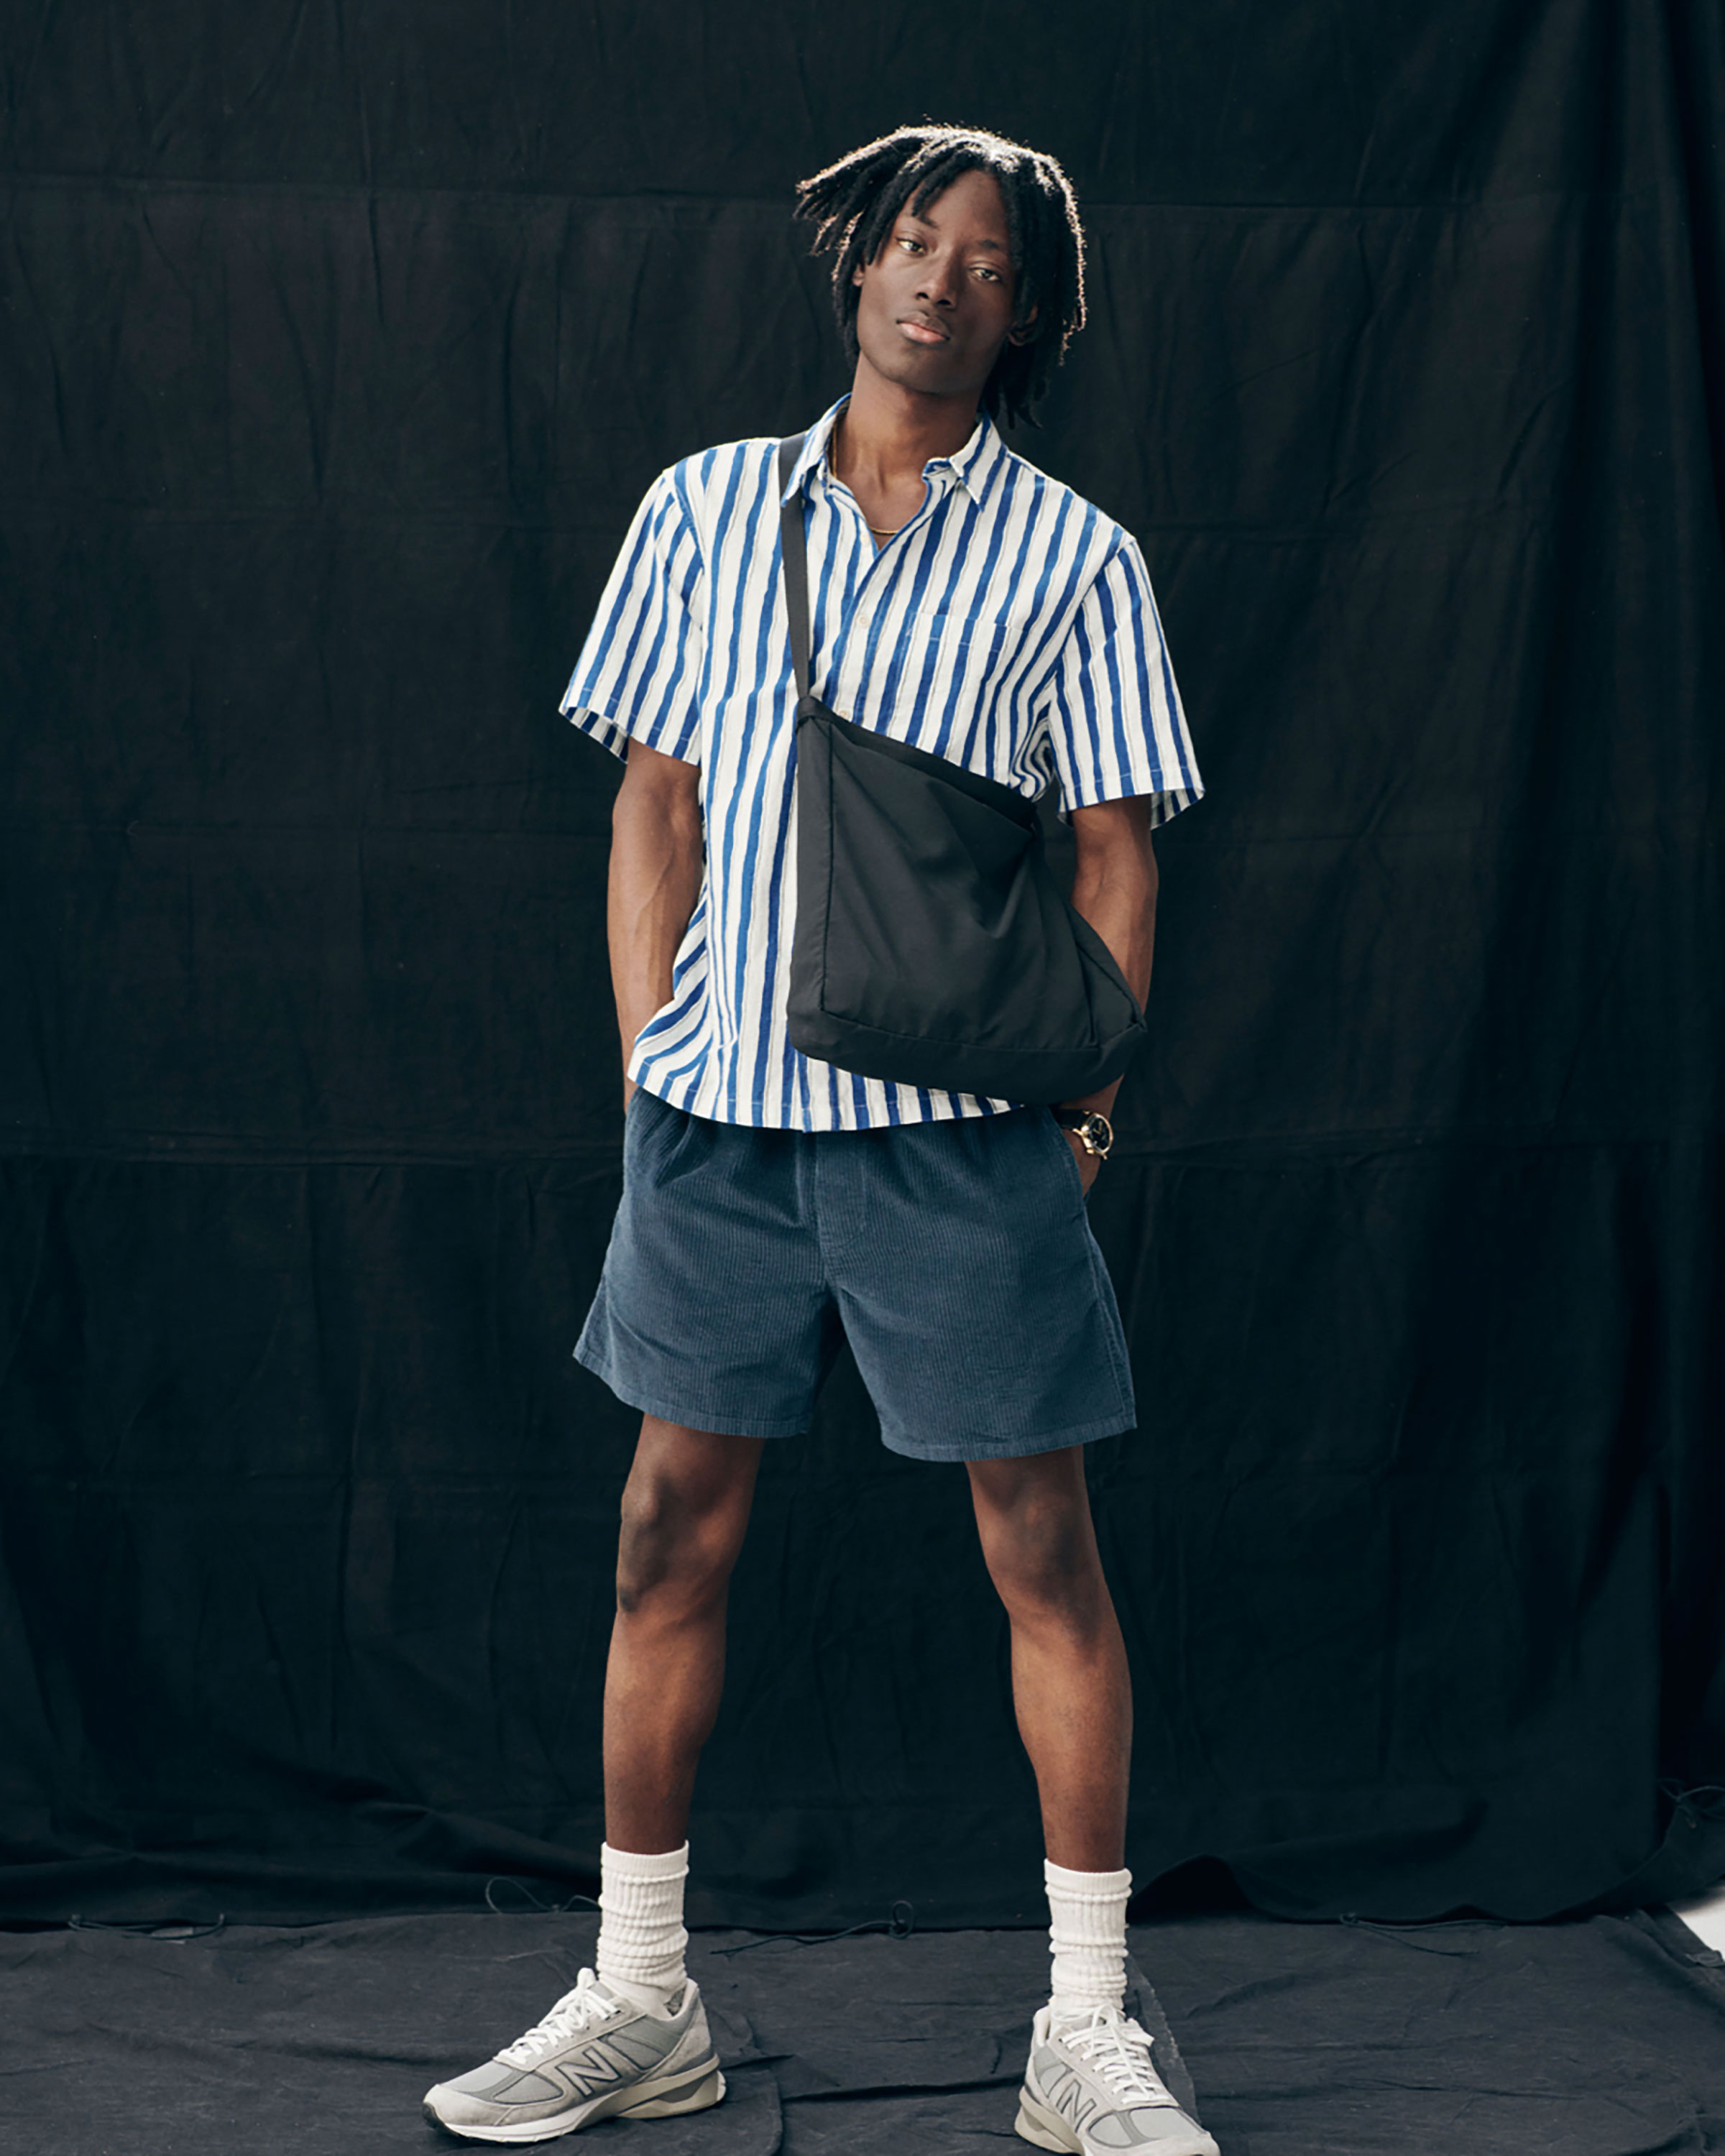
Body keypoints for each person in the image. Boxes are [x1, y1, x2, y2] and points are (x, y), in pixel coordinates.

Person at [424, 124, 1212, 2156]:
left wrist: (1086, 1112)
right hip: (719, 1137)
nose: (942, 281)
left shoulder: (1078, 558)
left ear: (1027, 313)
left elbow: (1116, 851)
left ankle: (1087, 2034)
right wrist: (649, 1065)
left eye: (988, 262)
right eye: (915, 240)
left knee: (1045, 1555)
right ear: (857, 260)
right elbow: (654, 801)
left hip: (960, 1139)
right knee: (662, 1537)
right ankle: (641, 1998)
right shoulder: (703, 509)